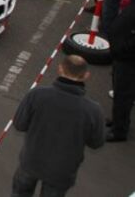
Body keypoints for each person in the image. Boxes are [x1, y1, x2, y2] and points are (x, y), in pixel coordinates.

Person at [11, 54, 105, 197]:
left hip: (31, 162)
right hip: (62, 172)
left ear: (60, 69)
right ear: (86, 76)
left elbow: (19, 124)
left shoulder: (36, 95)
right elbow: (96, 142)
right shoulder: (93, 110)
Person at [109, 0, 135, 142]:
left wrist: (122, 49)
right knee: (119, 92)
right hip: (121, 57)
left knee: (124, 95)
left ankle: (119, 131)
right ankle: (116, 121)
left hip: (128, 60)